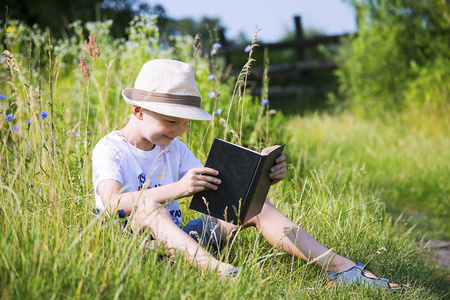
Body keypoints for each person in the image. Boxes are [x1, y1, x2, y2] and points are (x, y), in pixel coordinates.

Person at [92, 59, 400, 290]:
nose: (179, 131)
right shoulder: (112, 149)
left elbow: (218, 188)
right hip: (135, 250)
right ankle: (215, 271)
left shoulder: (175, 148)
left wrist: (261, 176)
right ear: (138, 111)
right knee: (146, 207)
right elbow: (111, 203)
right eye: (172, 121)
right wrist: (177, 188)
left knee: (251, 207)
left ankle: (341, 268)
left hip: (180, 244)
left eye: (186, 123)